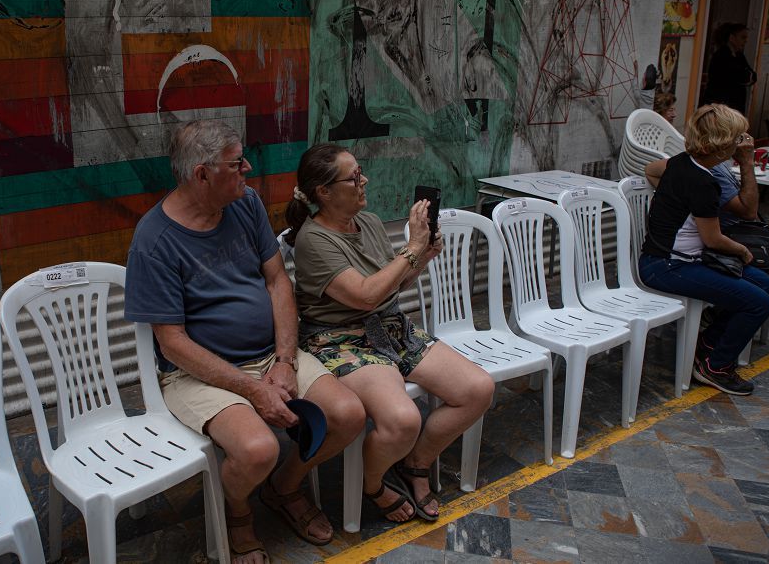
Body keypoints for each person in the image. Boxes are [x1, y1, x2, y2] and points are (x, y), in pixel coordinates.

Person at [123, 121, 366, 564]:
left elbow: (278, 282)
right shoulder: (153, 241)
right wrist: (252, 389)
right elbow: (173, 344)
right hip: (196, 374)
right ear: (202, 174)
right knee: (258, 450)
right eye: (236, 164)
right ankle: (237, 514)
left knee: (348, 415)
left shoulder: (245, 203)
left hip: (271, 356)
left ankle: (284, 488)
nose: (248, 169)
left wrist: (286, 361)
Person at [284, 144, 494, 524]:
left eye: (360, 171)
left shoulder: (371, 222)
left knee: (478, 390)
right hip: (342, 338)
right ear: (324, 192)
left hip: (391, 328)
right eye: (353, 177)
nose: (363, 180)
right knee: (403, 420)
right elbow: (364, 297)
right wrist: (411, 248)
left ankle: (415, 464)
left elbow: (388, 286)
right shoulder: (313, 241)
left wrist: (422, 256)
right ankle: (373, 484)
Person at [639, 104, 769, 396]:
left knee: (761, 283)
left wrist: (672, 196)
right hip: (668, 266)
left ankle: (708, 345)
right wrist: (742, 250)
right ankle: (715, 366)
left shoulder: (680, 163)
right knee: (759, 303)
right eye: (738, 139)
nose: (741, 143)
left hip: (667, 259)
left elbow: (651, 169)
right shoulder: (704, 182)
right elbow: (713, 239)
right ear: (724, 147)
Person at [702, 22, 757, 114]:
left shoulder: (739, 55)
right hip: (721, 105)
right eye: (743, 37)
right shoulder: (721, 55)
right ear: (732, 38)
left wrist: (746, 76)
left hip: (735, 105)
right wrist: (745, 76)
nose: (746, 41)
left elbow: (753, 76)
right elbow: (737, 76)